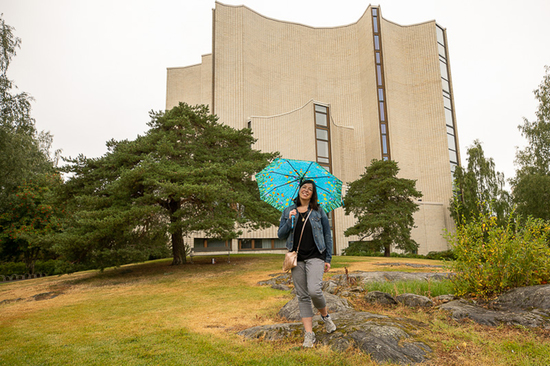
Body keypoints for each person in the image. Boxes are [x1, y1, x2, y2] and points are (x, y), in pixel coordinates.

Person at [277, 179, 336, 348]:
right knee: (303, 296)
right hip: (297, 258)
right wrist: (289, 221)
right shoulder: (289, 210)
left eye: (310, 189)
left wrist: (328, 259)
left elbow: (327, 235)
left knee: (314, 290)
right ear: (299, 190)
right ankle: (309, 334)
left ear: (312, 193)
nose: (306, 190)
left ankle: (325, 317)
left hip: (316, 256)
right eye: (304, 187)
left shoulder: (319, 211)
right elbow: (280, 234)